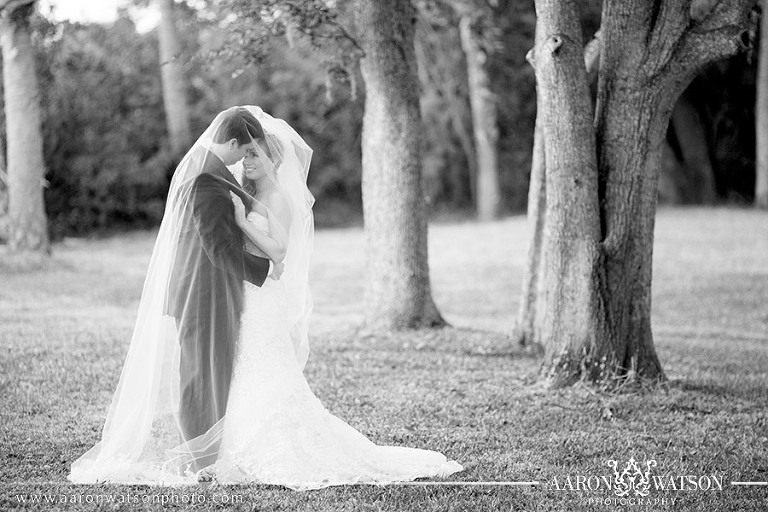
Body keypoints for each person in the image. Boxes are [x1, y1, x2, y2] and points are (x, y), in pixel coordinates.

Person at [68, 106, 462, 487]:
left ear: (271, 159)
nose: (246, 160)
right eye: (246, 150)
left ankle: (225, 450)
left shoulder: (235, 182)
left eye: (255, 154)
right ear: (237, 142)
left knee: (233, 369)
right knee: (208, 372)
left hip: (246, 295)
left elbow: (271, 248)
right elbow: (220, 246)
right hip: (225, 289)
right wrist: (261, 264)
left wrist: (258, 248)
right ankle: (209, 452)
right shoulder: (212, 177)